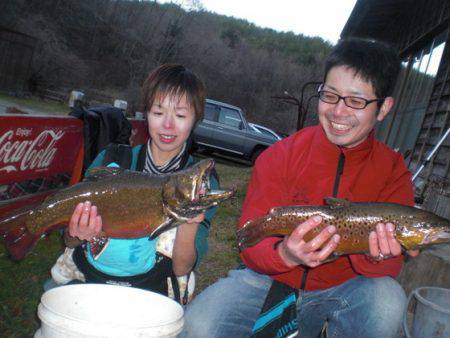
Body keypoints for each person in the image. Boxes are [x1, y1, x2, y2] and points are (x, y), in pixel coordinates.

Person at [182, 38, 418, 337]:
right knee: (198, 324)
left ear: (383, 108)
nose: (338, 112)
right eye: (330, 95)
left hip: (344, 287)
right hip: (270, 277)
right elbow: (250, 243)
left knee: (387, 300)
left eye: (356, 101)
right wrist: (285, 254)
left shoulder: (394, 171)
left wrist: (374, 256)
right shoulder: (279, 156)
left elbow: (390, 268)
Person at [45, 64, 218, 304]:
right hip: (89, 280)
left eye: (180, 115)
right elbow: (70, 241)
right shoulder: (112, 159)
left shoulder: (198, 182)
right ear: (146, 113)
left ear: (195, 119)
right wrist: (78, 233)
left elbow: (182, 269)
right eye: (158, 113)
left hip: (153, 291)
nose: (168, 125)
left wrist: (189, 223)